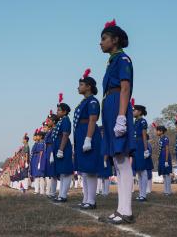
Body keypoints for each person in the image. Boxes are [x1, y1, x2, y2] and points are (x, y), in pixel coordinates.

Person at [97, 19, 135, 224]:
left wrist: (121, 117)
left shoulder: (123, 59)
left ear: (115, 40)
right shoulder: (112, 60)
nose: (100, 43)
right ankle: (121, 209)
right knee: (117, 161)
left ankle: (126, 211)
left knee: (122, 159)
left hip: (117, 105)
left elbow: (125, 88)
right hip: (110, 106)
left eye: (104, 38)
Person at [73, 69, 102, 209]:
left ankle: (91, 200)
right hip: (81, 134)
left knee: (90, 170)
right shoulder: (84, 101)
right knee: (84, 171)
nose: (78, 87)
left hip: (87, 134)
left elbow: (92, 120)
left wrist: (88, 138)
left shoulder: (92, 101)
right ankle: (86, 198)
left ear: (88, 86)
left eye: (81, 84)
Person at [53, 93, 74, 202]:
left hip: (63, 147)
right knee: (62, 172)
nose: (57, 112)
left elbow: (65, 135)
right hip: (59, 146)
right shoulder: (61, 120)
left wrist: (61, 149)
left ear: (65, 112)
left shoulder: (66, 120)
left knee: (66, 172)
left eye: (59, 110)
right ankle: (61, 194)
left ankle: (64, 195)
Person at [131, 102, 149, 202]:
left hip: (141, 145)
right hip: (136, 146)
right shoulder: (136, 122)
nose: (133, 112)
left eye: (135, 110)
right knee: (138, 171)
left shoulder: (142, 121)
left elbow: (144, 136)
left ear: (140, 112)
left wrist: (146, 149)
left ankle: (144, 194)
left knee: (143, 171)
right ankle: (141, 194)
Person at [44, 111, 59, 198]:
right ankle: (51, 191)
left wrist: (52, 153)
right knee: (51, 173)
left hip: (52, 149)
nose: (47, 122)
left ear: (53, 121)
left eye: (49, 121)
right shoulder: (50, 131)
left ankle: (53, 192)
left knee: (53, 173)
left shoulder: (54, 130)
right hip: (48, 150)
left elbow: (54, 141)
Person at [155, 124, 172, 195]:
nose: (156, 132)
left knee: (167, 174)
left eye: (157, 131)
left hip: (165, 155)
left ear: (161, 131)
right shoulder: (160, 139)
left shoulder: (165, 138)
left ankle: (168, 191)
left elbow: (167, 149)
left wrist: (166, 160)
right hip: (161, 156)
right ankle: (165, 190)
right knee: (164, 175)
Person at [31, 129, 46, 194]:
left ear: (41, 136)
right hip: (36, 159)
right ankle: (36, 190)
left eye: (38, 136)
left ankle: (42, 191)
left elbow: (41, 152)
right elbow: (33, 150)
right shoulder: (37, 143)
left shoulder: (42, 143)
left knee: (41, 176)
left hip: (40, 159)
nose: (36, 137)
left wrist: (40, 161)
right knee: (36, 176)